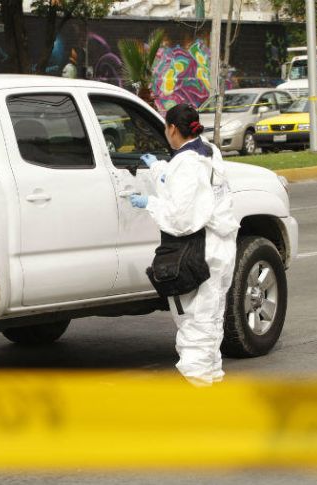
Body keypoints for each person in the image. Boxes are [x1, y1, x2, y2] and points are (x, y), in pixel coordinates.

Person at [129, 103, 240, 386]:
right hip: (221, 248)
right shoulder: (209, 152)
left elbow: (182, 219)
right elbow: (189, 188)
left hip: (200, 252)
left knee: (195, 325)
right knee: (211, 321)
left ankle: (197, 387)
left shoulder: (186, 164)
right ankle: (211, 381)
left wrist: (150, 203)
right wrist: (158, 168)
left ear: (172, 129)